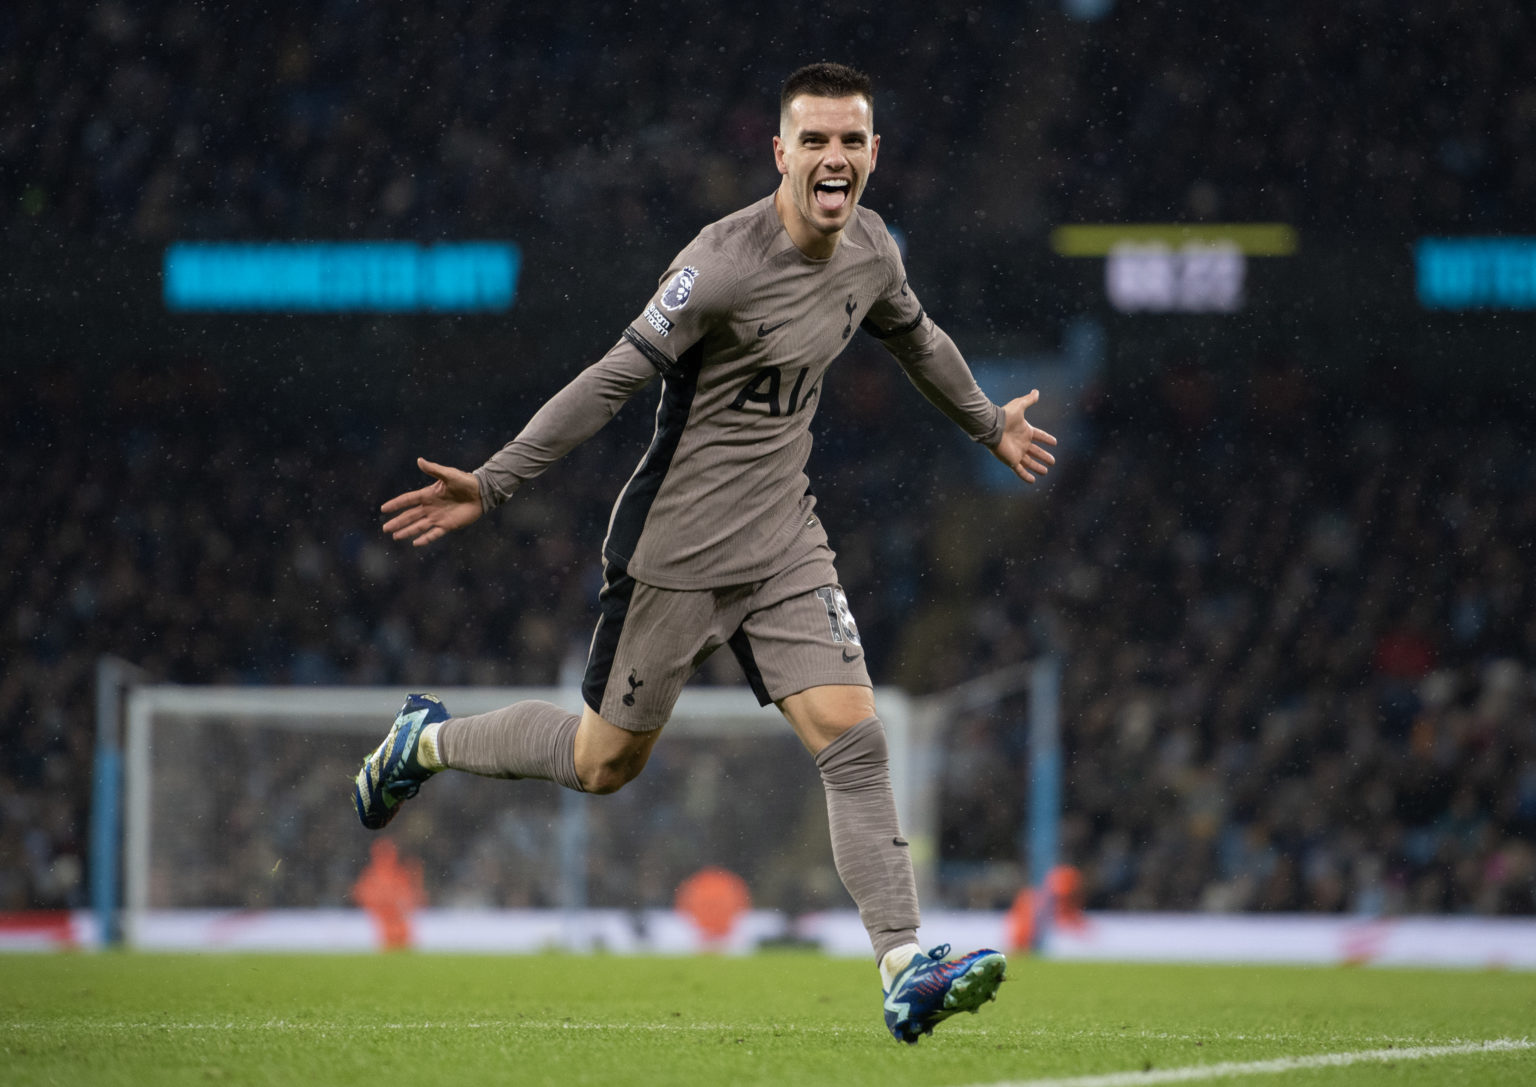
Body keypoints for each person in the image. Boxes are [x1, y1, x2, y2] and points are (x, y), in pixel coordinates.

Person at [354, 61, 1057, 1044]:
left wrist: (989, 425)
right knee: (603, 765)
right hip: (674, 554)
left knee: (856, 746)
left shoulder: (872, 250)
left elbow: (918, 335)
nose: (834, 157)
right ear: (780, 152)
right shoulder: (718, 262)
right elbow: (611, 379)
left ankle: (904, 964)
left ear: (873, 155)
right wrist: (499, 478)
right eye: (814, 139)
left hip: (783, 544)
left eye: (851, 140)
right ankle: (424, 740)